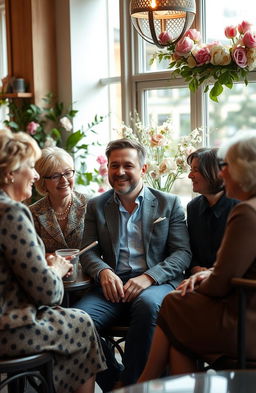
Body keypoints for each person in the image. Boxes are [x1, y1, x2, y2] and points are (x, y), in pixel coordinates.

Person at [138, 131, 256, 382]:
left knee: (173, 303)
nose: (222, 174)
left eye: (226, 167)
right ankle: (148, 382)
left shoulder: (245, 211)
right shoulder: (199, 207)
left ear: (243, 170)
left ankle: (144, 382)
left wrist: (202, 278)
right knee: (178, 335)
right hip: (239, 302)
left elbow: (221, 282)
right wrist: (201, 273)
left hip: (245, 316)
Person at [74, 138, 191, 389]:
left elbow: (182, 253)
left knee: (148, 306)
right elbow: (87, 252)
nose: (120, 172)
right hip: (113, 285)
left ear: (143, 169)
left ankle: (133, 384)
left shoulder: (167, 203)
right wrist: (103, 271)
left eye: (128, 165)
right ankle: (114, 380)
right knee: (78, 320)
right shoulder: (96, 205)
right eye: (114, 165)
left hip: (155, 283)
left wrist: (149, 277)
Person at [0, 129, 106, 393]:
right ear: (10, 172)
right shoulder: (11, 212)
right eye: (29, 167)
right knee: (82, 323)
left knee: (76, 321)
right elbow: (49, 293)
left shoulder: (90, 204)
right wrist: (55, 269)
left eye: (68, 172)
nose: (35, 175)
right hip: (9, 329)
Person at [186, 148, 238, 275]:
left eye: (196, 170)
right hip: (197, 279)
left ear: (216, 173)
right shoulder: (193, 207)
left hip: (230, 281)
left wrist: (211, 273)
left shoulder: (240, 207)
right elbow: (189, 249)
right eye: (190, 169)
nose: (189, 175)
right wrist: (195, 268)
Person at [29, 146, 88, 254]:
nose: (64, 180)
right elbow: (31, 254)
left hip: (88, 270)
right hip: (50, 270)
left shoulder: (90, 204)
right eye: (55, 176)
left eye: (67, 173)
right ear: (43, 181)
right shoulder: (32, 213)